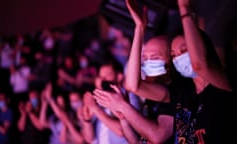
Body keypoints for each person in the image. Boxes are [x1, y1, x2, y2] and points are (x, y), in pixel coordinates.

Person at [93, 0, 175, 143]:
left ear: (171, 59)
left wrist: (139, 29)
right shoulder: (152, 98)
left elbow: (157, 136)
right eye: (145, 57)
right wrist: (123, 118)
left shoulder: (171, 90)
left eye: (154, 57)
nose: (148, 61)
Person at [169, 0, 233, 143]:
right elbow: (134, 86)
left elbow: (199, 65)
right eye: (173, 55)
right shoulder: (183, 94)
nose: (178, 58)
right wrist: (139, 28)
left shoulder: (223, 83)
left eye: (184, 50)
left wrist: (184, 9)